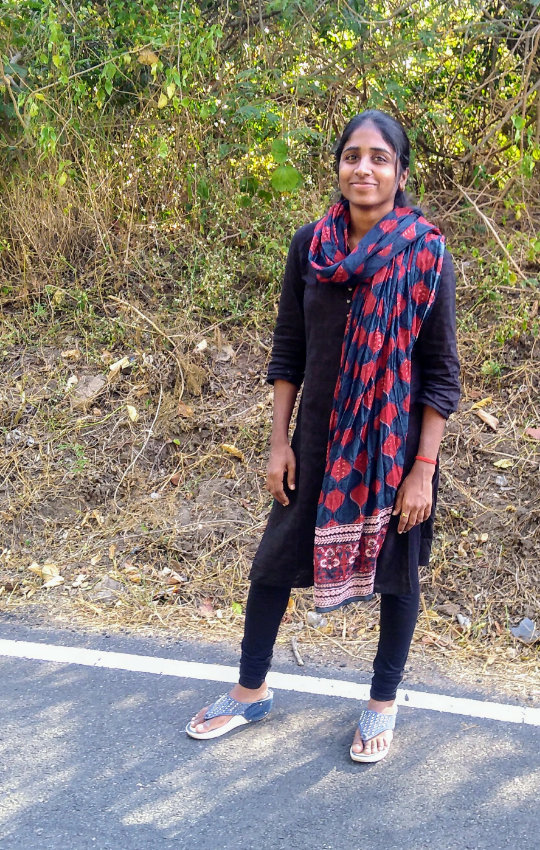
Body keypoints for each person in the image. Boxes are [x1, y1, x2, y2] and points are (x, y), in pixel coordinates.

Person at [186, 110, 460, 762]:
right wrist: (278, 442)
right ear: (337, 166)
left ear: (400, 173)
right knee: (272, 564)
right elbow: (289, 350)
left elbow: (441, 373)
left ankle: (381, 703)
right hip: (314, 442)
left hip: (392, 447)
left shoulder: (426, 254)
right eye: (351, 155)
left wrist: (422, 469)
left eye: (379, 158)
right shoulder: (310, 246)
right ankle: (250, 689)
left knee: (398, 577)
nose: (363, 168)